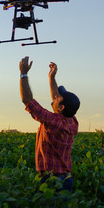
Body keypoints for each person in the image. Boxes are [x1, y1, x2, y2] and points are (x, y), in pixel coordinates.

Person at [19, 56, 80, 193]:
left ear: (62, 107)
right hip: (66, 179)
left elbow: (27, 100)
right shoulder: (72, 121)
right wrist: (51, 77)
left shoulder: (54, 121)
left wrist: (23, 74)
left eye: (59, 97)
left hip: (51, 181)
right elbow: (55, 100)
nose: (56, 96)